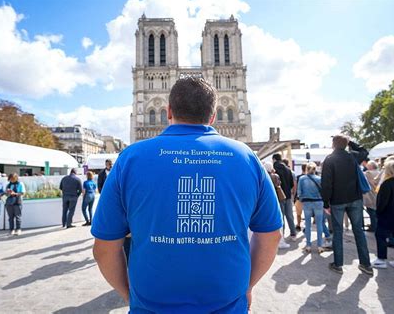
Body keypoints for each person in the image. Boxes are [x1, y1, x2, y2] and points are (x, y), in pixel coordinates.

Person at [91, 77, 282, 313]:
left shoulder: (130, 158)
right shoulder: (247, 158)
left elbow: (104, 249)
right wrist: (246, 287)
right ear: (212, 116)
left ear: (168, 111)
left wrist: (131, 297)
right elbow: (271, 236)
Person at [321, 135, 373, 275]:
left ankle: (338, 264)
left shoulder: (329, 159)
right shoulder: (352, 156)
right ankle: (366, 264)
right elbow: (365, 151)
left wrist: (326, 203)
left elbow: (326, 184)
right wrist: (351, 143)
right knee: (358, 231)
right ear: (346, 144)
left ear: (333, 144)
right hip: (355, 198)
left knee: (338, 232)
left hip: (337, 200)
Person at [298, 162, 326, 253]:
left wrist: (302, 199)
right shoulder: (319, 179)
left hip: (307, 202)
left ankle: (308, 245)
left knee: (308, 224)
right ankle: (320, 246)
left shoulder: (302, 179)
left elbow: (299, 192)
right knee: (319, 224)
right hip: (318, 202)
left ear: (306, 169)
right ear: (315, 169)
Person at [264, 161, 290, 249]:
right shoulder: (275, 176)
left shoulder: (263, 176)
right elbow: (279, 184)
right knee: (280, 219)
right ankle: (281, 241)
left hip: (267, 201)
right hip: (278, 200)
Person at [273, 153, 297, 240]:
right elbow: (291, 183)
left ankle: (281, 236)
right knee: (290, 215)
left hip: (278, 196)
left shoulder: (274, 168)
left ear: (274, 159)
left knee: (280, 216)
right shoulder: (288, 169)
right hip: (288, 195)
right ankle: (293, 233)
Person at [363, 160, 379, 232]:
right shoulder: (379, 172)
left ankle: (374, 226)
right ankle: (376, 225)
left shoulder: (368, 173)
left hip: (370, 194)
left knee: (371, 212)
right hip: (377, 194)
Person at [294, 164, 307, 232]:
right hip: (307, 198)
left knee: (298, 213)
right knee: (307, 214)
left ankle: (298, 225)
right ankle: (306, 226)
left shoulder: (298, 177)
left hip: (299, 198)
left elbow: (295, 188)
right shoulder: (309, 177)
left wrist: (294, 197)